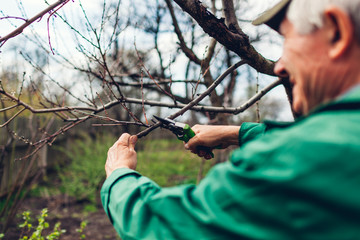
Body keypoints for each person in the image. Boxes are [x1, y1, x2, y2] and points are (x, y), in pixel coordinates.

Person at [101, 0, 360, 239]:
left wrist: (119, 176)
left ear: (337, 32)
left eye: (289, 40)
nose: (280, 66)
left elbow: (165, 228)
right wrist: (237, 133)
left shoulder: (292, 161)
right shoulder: (339, 142)